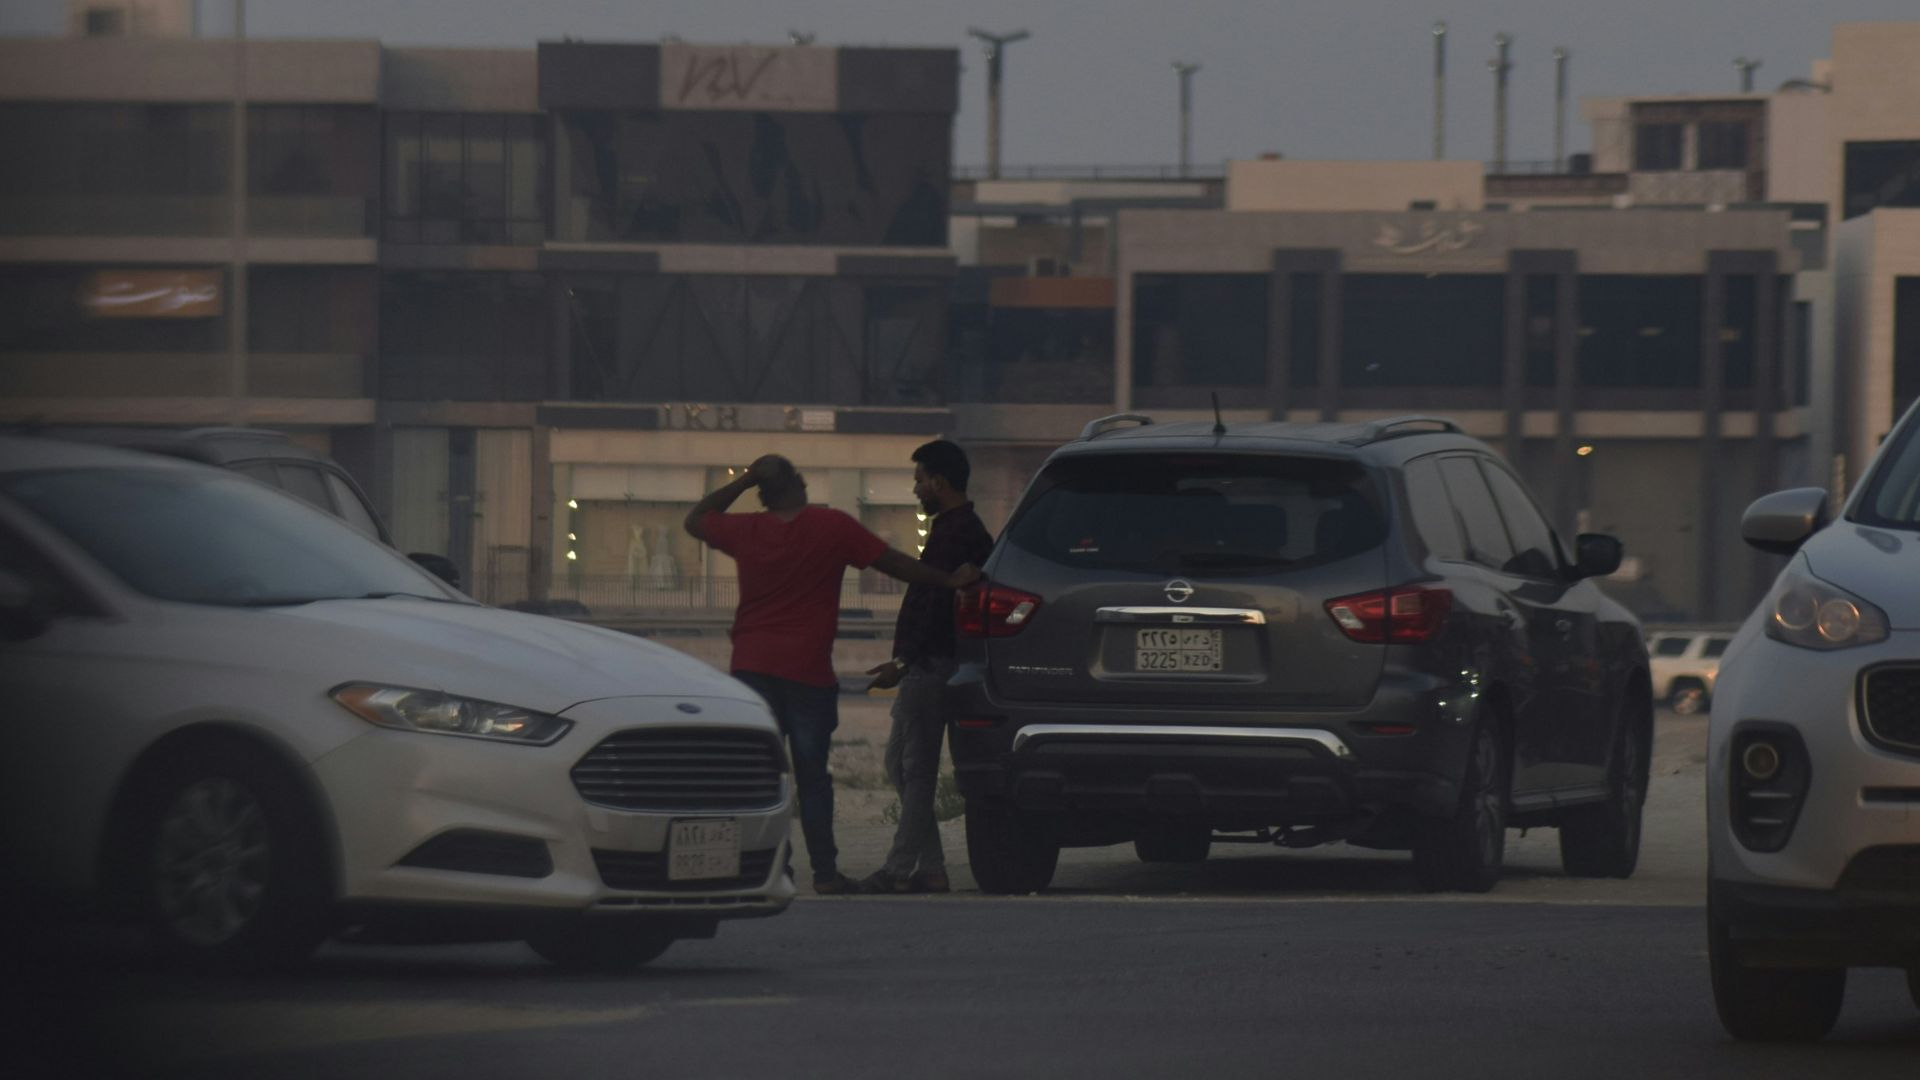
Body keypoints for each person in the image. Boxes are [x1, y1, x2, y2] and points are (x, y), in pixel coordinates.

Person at [685, 454, 979, 895]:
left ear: (763, 494)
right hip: (807, 672)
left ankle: (775, 868)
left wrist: (744, 480)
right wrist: (948, 581)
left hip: (752, 668)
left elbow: (695, 519)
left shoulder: (746, 530)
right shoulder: (831, 527)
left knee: (764, 777)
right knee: (813, 778)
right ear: (801, 484)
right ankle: (824, 873)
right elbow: (894, 563)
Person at [857, 440, 996, 894]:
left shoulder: (957, 533)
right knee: (901, 764)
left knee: (914, 768)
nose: (915, 489)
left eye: (920, 480)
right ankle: (931, 867)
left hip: (930, 665)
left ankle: (900, 868)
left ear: (939, 481)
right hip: (925, 663)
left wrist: (902, 661)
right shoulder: (958, 529)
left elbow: (933, 607)